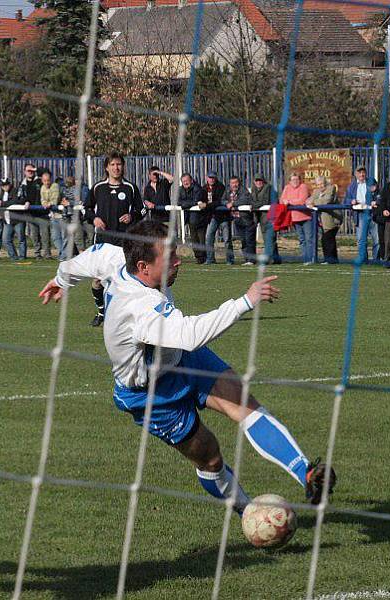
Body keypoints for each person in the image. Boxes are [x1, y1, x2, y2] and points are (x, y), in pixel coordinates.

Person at [38, 220, 336, 515]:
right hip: (150, 395)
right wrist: (245, 301)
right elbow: (191, 335)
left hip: (179, 358)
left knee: (244, 403)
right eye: (170, 259)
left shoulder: (117, 257)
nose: (179, 262)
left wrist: (61, 280)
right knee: (210, 458)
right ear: (143, 267)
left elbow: (87, 258)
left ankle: (307, 473)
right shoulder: (139, 309)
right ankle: (250, 514)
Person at [83, 152, 142, 327]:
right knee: (97, 279)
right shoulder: (98, 188)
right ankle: (101, 312)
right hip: (102, 240)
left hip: (125, 240)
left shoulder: (130, 188)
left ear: (123, 167)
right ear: (107, 167)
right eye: (113, 165)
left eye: (119, 164)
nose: (116, 168)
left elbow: (143, 209)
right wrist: (93, 218)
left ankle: (128, 315)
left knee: (127, 278)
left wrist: (132, 216)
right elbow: (85, 209)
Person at [344, 166, 380, 263]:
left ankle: (376, 259)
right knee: (361, 240)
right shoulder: (352, 186)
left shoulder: (372, 182)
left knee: (377, 239)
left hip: (372, 214)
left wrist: (376, 201)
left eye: (363, 172)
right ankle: (364, 260)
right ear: (355, 174)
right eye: (359, 172)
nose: (361, 174)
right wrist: (351, 201)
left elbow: (379, 195)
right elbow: (345, 200)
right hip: (360, 214)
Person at [281, 172, 313, 264]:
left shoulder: (303, 187)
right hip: (294, 218)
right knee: (302, 239)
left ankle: (310, 258)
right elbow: (282, 199)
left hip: (306, 217)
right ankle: (305, 258)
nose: (295, 181)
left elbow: (302, 200)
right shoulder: (287, 188)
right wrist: (286, 201)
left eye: (297, 179)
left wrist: (289, 201)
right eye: (293, 179)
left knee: (309, 239)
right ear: (289, 181)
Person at [177, 173, 209, 264]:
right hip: (191, 219)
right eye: (183, 181)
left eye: (187, 181)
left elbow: (196, 200)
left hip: (200, 218)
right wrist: (188, 204)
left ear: (191, 180)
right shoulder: (181, 190)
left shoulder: (198, 188)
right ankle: (199, 258)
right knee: (194, 239)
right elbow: (178, 201)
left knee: (201, 239)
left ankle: (204, 258)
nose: (185, 183)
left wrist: (185, 204)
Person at [311, 176, 342, 265]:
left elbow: (326, 200)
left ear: (325, 183)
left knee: (328, 238)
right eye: (318, 184)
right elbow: (310, 200)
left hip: (333, 218)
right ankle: (330, 259)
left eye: (321, 184)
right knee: (326, 239)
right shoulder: (316, 191)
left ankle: (330, 259)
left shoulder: (331, 188)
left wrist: (314, 202)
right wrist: (311, 202)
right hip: (323, 220)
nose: (320, 186)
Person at [18, 164, 46, 259]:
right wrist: (26, 201)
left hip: (42, 213)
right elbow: (21, 197)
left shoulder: (39, 181)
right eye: (28, 170)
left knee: (45, 234)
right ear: (24, 172)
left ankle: (47, 253)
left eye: (32, 170)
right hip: (31, 213)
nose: (30, 172)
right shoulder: (22, 184)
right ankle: (37, 254)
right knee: (34, 235)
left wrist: (35, 169)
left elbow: (47, 172)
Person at [225, 176, 255, 265]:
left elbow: (246, 200)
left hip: (246, 219)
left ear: (239, 183)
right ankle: (247, 259)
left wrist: (233, 203)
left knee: (249, 240)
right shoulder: (228, 191)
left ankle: (251, 259)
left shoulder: (243, 191)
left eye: (236, 182)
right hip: (237, 219)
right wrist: (226, 203)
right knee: (243, 240)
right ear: (230, 184)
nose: (234, 185)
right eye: (232, 183)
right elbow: (222, 200)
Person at [251, 175, 280, 264]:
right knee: (269, 238)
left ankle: (268, 258)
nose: (258, 182)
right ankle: (276, 259)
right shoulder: (253, 189)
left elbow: (265, 201)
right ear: (254, 182)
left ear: (263, 181)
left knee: (269, 238)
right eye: (257, 181)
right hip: (261, 216)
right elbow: (250, 200)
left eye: (260, 180)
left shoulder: (269, 189)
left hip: (270, 216)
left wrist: (253, 206)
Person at [204, 172, 231, 265]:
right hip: (213, 216)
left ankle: (229, 259)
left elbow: (219, 201)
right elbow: (201, 198)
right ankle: (210, 259)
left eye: (213, 178)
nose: (211, 179)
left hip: (223, 216)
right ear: (207, 178)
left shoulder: (221, 187)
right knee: (209, 237)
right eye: (210, 177)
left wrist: (207, 205)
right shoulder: (204, 188)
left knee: (227, 239)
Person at [0, 178, 26, 260]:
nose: (5, 187)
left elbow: (15, 201)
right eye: (3, 185)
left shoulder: (15, 191)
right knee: (6, 239)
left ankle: (22, 256)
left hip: (18, 218)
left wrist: (2, 203)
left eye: (6, 185)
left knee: (21, 238)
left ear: (10, 184)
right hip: (7, 220)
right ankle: (13, 256)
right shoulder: (2, 194)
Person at [40, 170, 64, 260]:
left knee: (64, 236)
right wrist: (44, 203)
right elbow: (42, 199)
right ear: (42, 180)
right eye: (45, 181)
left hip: (62, 215)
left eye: (48, 180)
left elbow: (55, 199)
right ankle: (64, 253)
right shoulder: (42, 188)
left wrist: (49, 203)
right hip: (54, 215)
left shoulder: (55, 186)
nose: (46, 183)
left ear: (51, 180)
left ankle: (65, 254)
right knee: (55, 237)